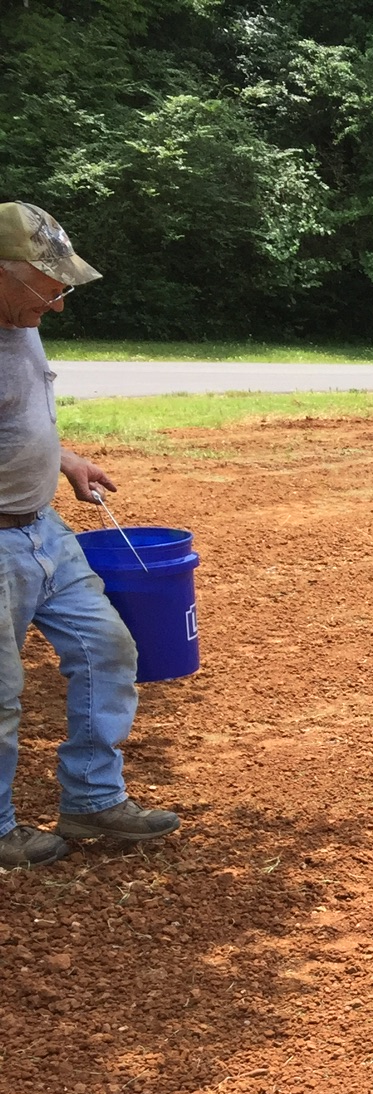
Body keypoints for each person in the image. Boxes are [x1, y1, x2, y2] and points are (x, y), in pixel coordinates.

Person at [0, 201, 179, 869]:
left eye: (61, 289)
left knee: (107, 648)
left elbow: (20, 417)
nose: (56, 305)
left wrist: (64, 460)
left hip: (43, 529)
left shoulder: (18, 323)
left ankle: (92, 799)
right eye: (47, 288)